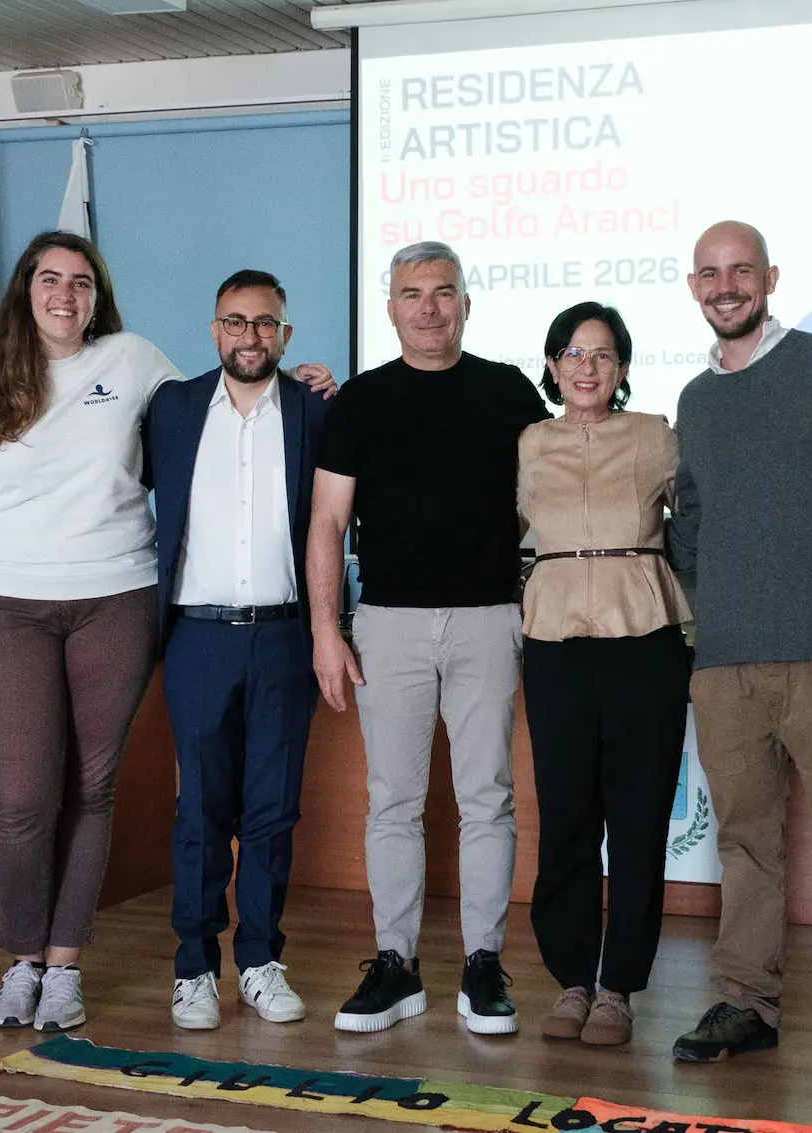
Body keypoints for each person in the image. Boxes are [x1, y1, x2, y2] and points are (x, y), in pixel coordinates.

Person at [0, 232, 331, 1033]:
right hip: (10, 606)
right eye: (50, 279)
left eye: (81, 281)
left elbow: (227, 415)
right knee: (22, 797)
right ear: (26, 289)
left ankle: (67, 966)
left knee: (91, 790)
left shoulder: (138, 362)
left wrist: (304, 383)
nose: (65, 295)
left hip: (118, 600)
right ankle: (23, 959)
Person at [666, 221, 812, 1086]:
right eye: (710, 273)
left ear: (770, 277)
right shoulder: (695, 401)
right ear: (694, 286)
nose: (726, 285)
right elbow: (691, 520)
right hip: (725, 662)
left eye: (741, 271)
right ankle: (747, 1003)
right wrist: (712, 599)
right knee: (744, 844)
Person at [308, 240, 550, 1035]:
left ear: (466, 303)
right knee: (393, 804)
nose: (429, 307)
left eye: (444, 292)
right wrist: (324, 629)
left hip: (487, 620)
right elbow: (327, 520)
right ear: (391, 307)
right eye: (413, 293)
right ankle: (396, 965)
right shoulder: (362, 402)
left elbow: (536, 499)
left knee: (488, 799)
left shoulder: (509, 390)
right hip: (389, 626)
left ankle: (483, 966)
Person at [143, 270, 330, 1030]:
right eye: (234, 322)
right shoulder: (173, 408)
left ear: (285, 334)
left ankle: (259, 959)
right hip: (197, 638)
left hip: (285, 636)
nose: (249, 336)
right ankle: (194, 969)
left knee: (272, 812)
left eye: (264, 323)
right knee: (199, 812)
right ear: (214, 329)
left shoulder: (316, 409)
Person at [517, 302, 691, 1047]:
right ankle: (571, 979)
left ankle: (619, 984)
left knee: (640, 813)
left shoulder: (655, 435)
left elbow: (708, 519)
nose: (586, 368)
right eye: (572, 354)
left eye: (602, 355)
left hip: (644, 634)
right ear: (552, 365)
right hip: (553, 637)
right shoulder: (526, 442)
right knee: (565, 813)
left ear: (621, 368)